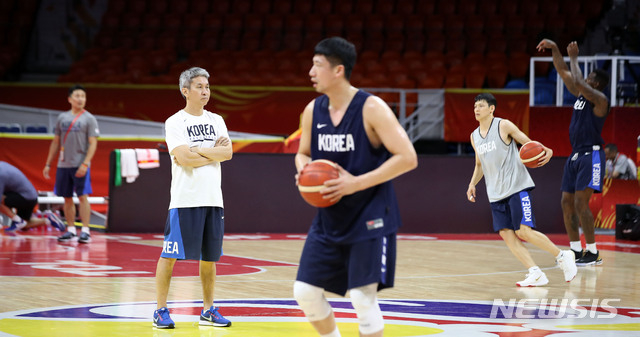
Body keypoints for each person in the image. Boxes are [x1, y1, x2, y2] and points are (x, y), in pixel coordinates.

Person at [293, 37, 418, 337]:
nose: (311, 71)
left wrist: (354, 183)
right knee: (304, 292)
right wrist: (304, 170)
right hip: (330, 216)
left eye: (317, 65)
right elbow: (302, 152)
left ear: (338, 71)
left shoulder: (371, 107)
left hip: (370, 215)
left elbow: (408, 157)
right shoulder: (313, 110)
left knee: (362, 297)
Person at [466, 93, 577, 287]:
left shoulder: (504, 125)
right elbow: (479, 164)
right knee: (507, 234)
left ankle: (563, 256)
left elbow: (528, 143)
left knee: (523, 231)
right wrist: (472, 183)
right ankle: (535, 272)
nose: (476, 109)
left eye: (481, 106)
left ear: (491, 109)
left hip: (517, 187)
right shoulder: (474, 136)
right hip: (495, 193)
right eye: (475, 106)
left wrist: (546, 150)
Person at [153, 67, 233, 329]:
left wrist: (197, 149)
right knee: (170, 255)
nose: (205, 91)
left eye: (207, 86)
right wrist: (212, 151)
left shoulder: (217, 119)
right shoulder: (175, 122)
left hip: (213, 199)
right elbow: (184, 159)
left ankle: (208, 310)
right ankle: (160, 310)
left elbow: (228, 153)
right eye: (199, 86)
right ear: (185, 91)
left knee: (209, 258)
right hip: (185, 199)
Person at [536, 39, 610, 266]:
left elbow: (576, 77)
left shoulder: (600, 100)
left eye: (589, 80)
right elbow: (563, 71)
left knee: (580, 203)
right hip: (575, 154)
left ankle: (593, 253)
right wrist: (556, 49)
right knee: (566, 202)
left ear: (595, 84)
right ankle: (576, 251)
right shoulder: (580, 96)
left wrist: (575, 57)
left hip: (592, 154)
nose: (583, 82)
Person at [43, 84, 99, 244]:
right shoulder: (62, 118)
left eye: (83, 96)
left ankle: (86, 231)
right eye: (77, 96)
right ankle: (71, 230)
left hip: (80, 164)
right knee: (67, 198)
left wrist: (85, 164)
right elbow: (55, 142)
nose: (80, 99)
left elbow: (93, 143)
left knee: (82, 197)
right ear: (70, 99)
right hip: (63, 165)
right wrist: (48, 163)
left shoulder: (89, 118)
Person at [1, 161, 66, 232]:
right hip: (31, 197)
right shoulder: (3, 166)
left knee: (1, 202)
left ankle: (17, 220)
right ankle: (48, 220)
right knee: (24, 226)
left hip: (25, 197)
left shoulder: (1, 173)